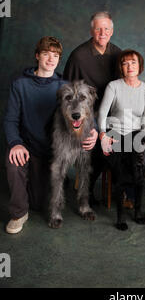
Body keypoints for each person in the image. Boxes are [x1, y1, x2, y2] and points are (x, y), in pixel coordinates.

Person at [3, 36, 97, 234]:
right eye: (46, 54)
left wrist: (94, 130)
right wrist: (15, 143)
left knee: (39, 203)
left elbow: (81, 108)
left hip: (53, 153)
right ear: (37, 56)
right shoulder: (20, 84)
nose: (50, 59)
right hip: (29, 148)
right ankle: (19, 213)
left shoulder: (63, 86)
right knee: (13, 161)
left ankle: (41, 190)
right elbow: (10, 120)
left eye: (55, 55)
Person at [63, 11, 121, 204]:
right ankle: (86, 189)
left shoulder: (118, 54)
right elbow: (67, 95)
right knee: (94, 140)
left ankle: (122, 187)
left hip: (113, 113)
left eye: (106, 29)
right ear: (91, 31)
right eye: (98, 29)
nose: (102, 33)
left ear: (112, 32)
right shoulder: (79, 56)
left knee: (127, 138)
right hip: (85, 114)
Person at [98, 49, 145, 227]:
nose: (130, 66)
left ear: (140, 66)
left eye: (133, 62)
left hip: (136, 137)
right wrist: (102, 134)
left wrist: (144, 140)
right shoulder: (113, 86)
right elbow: (102, 113)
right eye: (125, 63)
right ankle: (121, 216)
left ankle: (138, 212)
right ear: (121, 67)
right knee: (123, 167)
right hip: (115, 134)